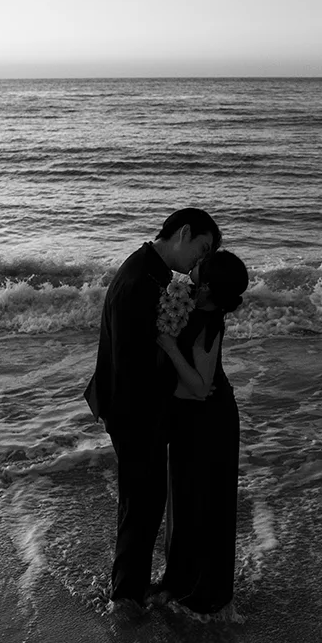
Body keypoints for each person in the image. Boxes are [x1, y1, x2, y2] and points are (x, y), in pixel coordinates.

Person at [85, 208, 221, 610]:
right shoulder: (139, 281)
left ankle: (129, 588)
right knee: (142, 503)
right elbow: (132, 365)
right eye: (202, 248)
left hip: (135, 407)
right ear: (184, 232)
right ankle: (126, 598)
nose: (200, 260)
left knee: (143, 501)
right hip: (134, 411)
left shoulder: (151, 271)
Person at [154, 249, 249, 616]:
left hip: (209, 421)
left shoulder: (209, 322)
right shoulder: (194, 306)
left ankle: (199, 591)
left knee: (202, 502)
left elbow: (199, 385)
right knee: (185, 498)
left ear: (207, 285)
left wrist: (168, 347)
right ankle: (179, 582)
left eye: (199, 266)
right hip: (193, 416)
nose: (192, 266)